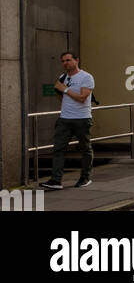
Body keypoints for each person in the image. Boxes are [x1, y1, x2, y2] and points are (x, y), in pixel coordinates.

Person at [46, 51, 95, 189]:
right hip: (64, 119)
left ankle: (85, 178)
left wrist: (66, 90)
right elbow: (61, 95)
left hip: (82, 119)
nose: (65, 63)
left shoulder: (86, 77)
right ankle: (56, 181)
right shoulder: (63, 77)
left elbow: (82, 98)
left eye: (68, 60)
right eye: (63, 61)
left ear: (76, 60)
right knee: (58, 149)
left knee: (85, 149)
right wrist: (64, 93)